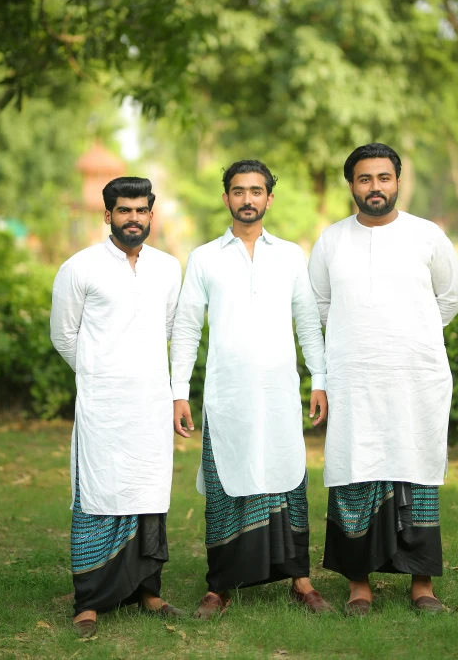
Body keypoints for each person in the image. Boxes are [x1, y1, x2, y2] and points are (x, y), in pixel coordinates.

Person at [308, 143, 458, 615]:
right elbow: (319, 305)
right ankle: (359, 584)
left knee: (415, 472)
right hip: (354, 380)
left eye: (383, 178)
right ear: (351, 185)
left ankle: (422, 584)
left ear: (398, 181)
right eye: (364, 179)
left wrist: (410, 334)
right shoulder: (331, 240)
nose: (374, 187)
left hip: (415, 378)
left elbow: (452, 297)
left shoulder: (427, 235)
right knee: (356, 472)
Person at [170, 159, 333, 619]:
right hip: (228, 396)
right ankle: (218, 587)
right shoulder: (205, 257)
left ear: (269, 198)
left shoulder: (290, 255)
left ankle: (300, 581)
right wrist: (178, 391)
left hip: (280, 394)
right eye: (238, 191)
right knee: (227, 485)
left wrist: (319, 380)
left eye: (256, 191)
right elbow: (186, 328)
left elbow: (306, 322)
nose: (247, 199)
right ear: (226, 198)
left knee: (287, 481)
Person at [50, 177, 183, 637]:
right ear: (107, 215)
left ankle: (148, 591)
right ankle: (89, 600)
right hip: (102, 405)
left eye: (141, 210)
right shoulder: (79, 267)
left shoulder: (168, 268)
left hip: (150, 403)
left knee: (148, 495)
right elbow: (63, 334)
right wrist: (97, 371)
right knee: (98, 496)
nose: (133, 218)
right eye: (124, 211)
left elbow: (166, 329)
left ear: (151, 214)